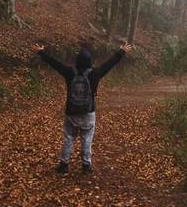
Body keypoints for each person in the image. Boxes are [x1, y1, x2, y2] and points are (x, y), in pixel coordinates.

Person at [30, 42, 132, 174]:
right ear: (90, 61)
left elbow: (54, 63)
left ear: (77, 60)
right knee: (87, 140)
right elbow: (109, 64)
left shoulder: (69, 72)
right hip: (88, 113)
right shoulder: (95, 73)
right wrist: (121, 52)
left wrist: (41, 52)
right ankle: (86, 165)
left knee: (69, 138)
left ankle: (64, 164)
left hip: (71, 112)